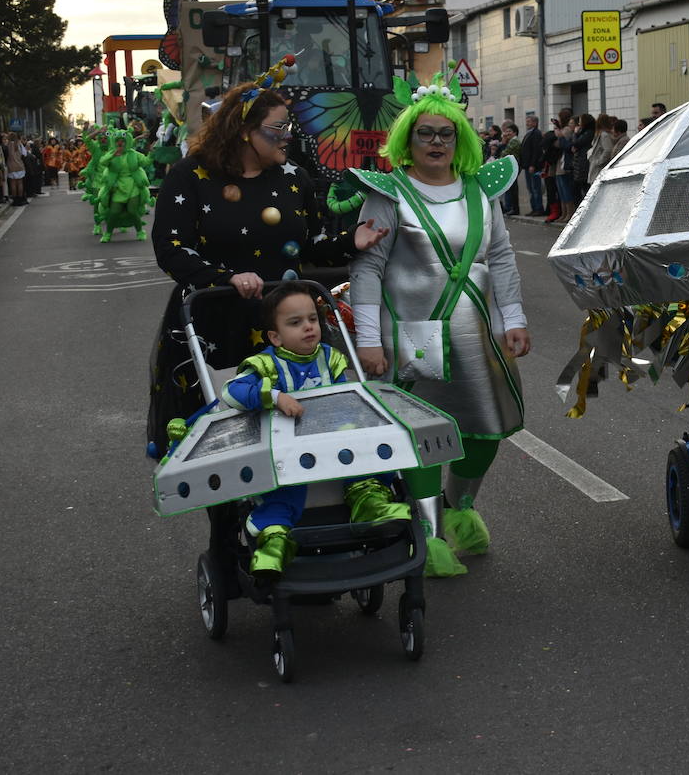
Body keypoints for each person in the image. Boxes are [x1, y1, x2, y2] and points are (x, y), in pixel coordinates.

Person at [347, 67, 531, 577]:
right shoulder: (388, 192)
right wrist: (368, 338)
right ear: (408, 139)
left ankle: (460, 508)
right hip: (415, 333)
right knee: (424, 431)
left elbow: (502, 258)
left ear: (460, 138)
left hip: (478, 332)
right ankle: (427, 531)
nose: (435, 142)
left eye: (444, 133)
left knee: (485, 430)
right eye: (424, 133)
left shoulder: (481, 191)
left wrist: (512, 318)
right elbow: (367, 269)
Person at [147, 71, 388, 460]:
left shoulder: (295, 177)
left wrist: (350, 241)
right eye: (279, 127)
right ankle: (229, 521)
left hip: (287, 324)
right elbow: (171, 248)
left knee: (307, 428)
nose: (289, 134)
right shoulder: (190, 176)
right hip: (217, 321)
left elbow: (309, 244)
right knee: (224, 438)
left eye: (289, 125)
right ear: (245, 130)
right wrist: (226, 277)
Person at [220, 282, 411, 579]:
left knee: (366, 452)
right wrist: (274, 397)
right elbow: (231, 392)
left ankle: (369, 502)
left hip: (333, 444)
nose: (308, 327)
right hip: (287, 453)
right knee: (284, 491)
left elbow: (344, 397)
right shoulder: (265, 364)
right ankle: (273, 542)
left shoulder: (330, 357)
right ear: (275, 337)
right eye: (295, 323)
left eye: (312, 319)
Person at [521, 114, 545, 216]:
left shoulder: (536, 134)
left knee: (535, 188)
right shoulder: (529, 133)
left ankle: (539, 208)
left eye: (529, 121)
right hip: (527, 166)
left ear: (535, 123)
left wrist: (532, 165)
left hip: (533, 166)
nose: (527, 123)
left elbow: (536, 150)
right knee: (531, 188)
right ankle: (534, 208)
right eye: (527, 121)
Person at [586, 112, 616, 183]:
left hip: (599, 168)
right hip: (597, 167)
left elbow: (608, 150)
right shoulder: (602, 134)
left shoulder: (604, 135)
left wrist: (598, 162)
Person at [500, 121, 521, 216]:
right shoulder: (511, 141)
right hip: (511, 166)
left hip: (514, 166)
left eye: (509, 131)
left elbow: (505, 153)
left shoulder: (515, 141)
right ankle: (511, 208)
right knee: (510, 189)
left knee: (513, 189)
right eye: (506, 131)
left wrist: (503, 143)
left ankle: (515, 209)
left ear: (515, 132)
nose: (507, 133)